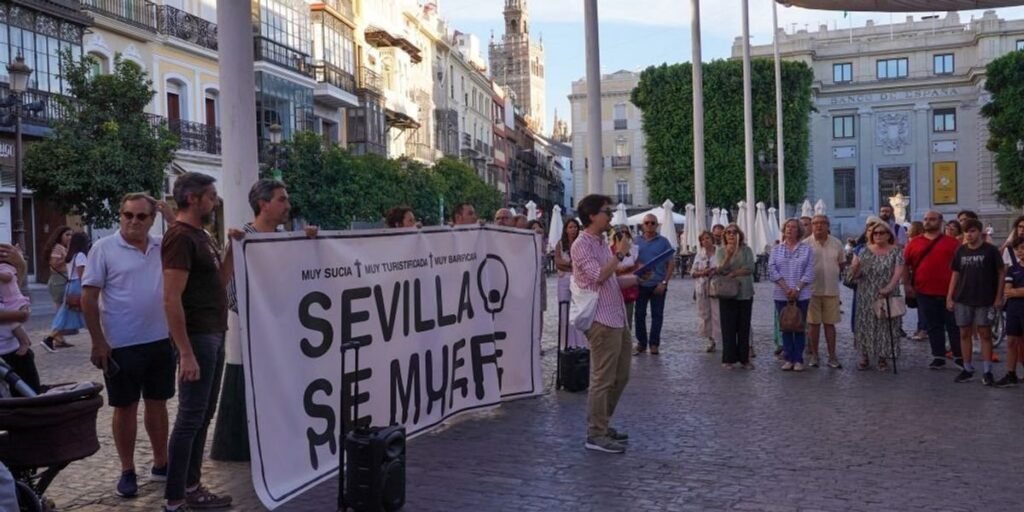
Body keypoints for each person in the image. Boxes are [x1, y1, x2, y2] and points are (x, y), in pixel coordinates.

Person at [82, 193, 174, 498]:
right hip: (121, 344)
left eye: (141, 216)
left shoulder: (163, 244)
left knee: (158, 403)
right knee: (124, 407)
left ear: (152, 219)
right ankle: (127, 469)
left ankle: (162, 463)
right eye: (127, 215)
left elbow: (195, 239)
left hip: (161, 339)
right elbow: (89, 297)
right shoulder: (103, 248)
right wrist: (98, 341)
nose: (133, 221)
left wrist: (171, 216)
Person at [162, 172, 240, 511]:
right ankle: (175, 498)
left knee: (202, 414)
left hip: (213, 333)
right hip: (198, 338)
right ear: (193, 199)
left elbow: (220, 281)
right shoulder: (180, 237)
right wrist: (186, 352)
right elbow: (171, 298)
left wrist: (232, 250)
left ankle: (191, 487)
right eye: (211, 196)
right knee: (190, 417)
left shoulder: (202, 236)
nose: (215, 202)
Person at [570, 194, 632, 454]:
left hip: (617, 317)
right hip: (601, 320)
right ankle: (595, 433)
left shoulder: (599, 243)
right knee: (603, 378)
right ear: (593, 215)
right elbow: (597, 276)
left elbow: (609, 278)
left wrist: (633, 278)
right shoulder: (581, 245)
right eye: (606, 211)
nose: (610, 216)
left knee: (621, 376)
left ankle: (602, 424)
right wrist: (618, 255)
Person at [947, 218, 1005, 386]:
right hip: (963, 297)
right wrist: (949, 296)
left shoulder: (990, 251)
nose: (969, 235)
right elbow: (955, 274)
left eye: (972, 231)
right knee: (964, 333)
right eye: (966, 232)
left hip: (984, 298)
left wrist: (998, 296)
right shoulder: (961, 251)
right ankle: (967, 367)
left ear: (980, 232)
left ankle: (987, 370)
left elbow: (1000, 273)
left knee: (985, 333)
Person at [905, 211, 964, 370]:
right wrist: (907, 285)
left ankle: (959, 355)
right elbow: (905, 264)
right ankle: (938, 356)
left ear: (940, 222)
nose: (928, 222)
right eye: (925, 219)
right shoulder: (914, 243)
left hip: (949, 291)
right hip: (924, 291)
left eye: (932, 219)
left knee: (953, 325)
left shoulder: (952, 243)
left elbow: (960, 266)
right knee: (933, 325)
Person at [849, 222, 904, 371]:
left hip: (887, 292)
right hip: (866, 292)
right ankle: (865, 356)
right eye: (875, 233)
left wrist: (889, 287)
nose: (878, 235)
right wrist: (855, 269)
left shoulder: (896, 251)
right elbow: (855, 274)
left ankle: (883, 357)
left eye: (881, 233)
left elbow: (898, 272)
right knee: (865, 324)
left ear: (888, 235)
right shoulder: (864, 251)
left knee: (885, 325)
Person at [769, 219, 815, 371]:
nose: (790, 229)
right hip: (781, 293)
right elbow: (772, 270)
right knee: (786, 325)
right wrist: (786, 288)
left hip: (802, 293)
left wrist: (796, 289)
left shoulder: (806, 249)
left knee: (799, 325)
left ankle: (799, 358)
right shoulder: (776, 249)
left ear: (798, 231)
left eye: (793, 227)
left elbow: (809, 271)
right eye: (787, 227)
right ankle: (788, 356)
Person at [805, 215, 845, 369]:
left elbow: (841, 265)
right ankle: (815, 355)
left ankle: (832, 356)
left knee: (830, 325)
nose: (818, 226)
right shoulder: (805, 245)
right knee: (813, 325)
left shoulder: (837, 243)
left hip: (831, 290)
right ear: (812, 226)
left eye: (822, 223)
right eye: (815, 223)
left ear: (828, 225)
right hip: (811, 291)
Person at [633, 214, 674, 355]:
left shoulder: (664, 242)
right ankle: (641, 342)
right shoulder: (635, 241)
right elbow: (630, 262)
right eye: (647, 223)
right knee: (639, 314)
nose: (649, 225)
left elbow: (670, 264)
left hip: (658, 284)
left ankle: (654, 344)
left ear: (657, 225)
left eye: (652, 223)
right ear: (642, 225)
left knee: (657, 315)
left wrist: (664, 282)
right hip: (640, 284)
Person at [716, 224, 756, 370]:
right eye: (728, 233)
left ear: (740, 234)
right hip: (727, 293)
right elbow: (720, 270)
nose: (731, 235)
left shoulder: (746, 250)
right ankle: (728, 358)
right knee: (728, 327)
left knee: (744, 326)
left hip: (745, 292)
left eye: (734, 232)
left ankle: (744, 359)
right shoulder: (720, 251)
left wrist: (733, 273)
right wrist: (728, 256)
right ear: (725, 236)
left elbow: (750, 267)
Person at [0, 245, 39, 393]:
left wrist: (20, 266)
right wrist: (18, 315)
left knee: (28, 397)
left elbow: (11, 288)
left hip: (13, 350)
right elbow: (20, 315)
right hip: (8, 350)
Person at [43, 232, 91, 351]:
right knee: (88, 312)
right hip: (77, 285)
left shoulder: (71, 256)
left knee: (67, 315)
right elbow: (82, 275)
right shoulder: (80, 256)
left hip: (70, 285)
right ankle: (49, 339)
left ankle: (50, 339)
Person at [995, 238, 1024, 387]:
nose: (1020, 252)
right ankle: (1010, 373)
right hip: (1014, 309)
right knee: (1012, 341)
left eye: (1023, 248)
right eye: (1019, 249)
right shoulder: (1013, 269)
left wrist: (1015, 291)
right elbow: (1007, 290)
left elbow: (1013, 290)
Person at [690, 231, 720, 352]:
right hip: (702, 288)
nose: (705, 241)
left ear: (712, 239)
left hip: (716, 287)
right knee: (704, 314)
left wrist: (716, 270)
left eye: (707, 238)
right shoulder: (699, 255)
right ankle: (711, 339)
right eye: (702, 239)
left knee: (717, 314)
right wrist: (702, 273)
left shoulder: (719, 253)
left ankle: (720, 338)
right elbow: (692, 272)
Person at [611, 228, 640, 334]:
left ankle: (627, 340)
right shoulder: (610, 250)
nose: (624, 239)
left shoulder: (633, 250)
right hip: (614, 287)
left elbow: (637, 267)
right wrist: (618, 269)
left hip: (629, 287)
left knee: (628, 315)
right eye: (621, 236)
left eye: (626, 236)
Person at [43, 226, 72, 309]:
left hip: (63, 278)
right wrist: (66, 258)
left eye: (71, 235)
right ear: (60, 236)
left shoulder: (64, 248)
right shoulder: (58, 248)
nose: (70, 237)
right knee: (61, 308)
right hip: (59, 280)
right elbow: (54, 263)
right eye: (67, 235)